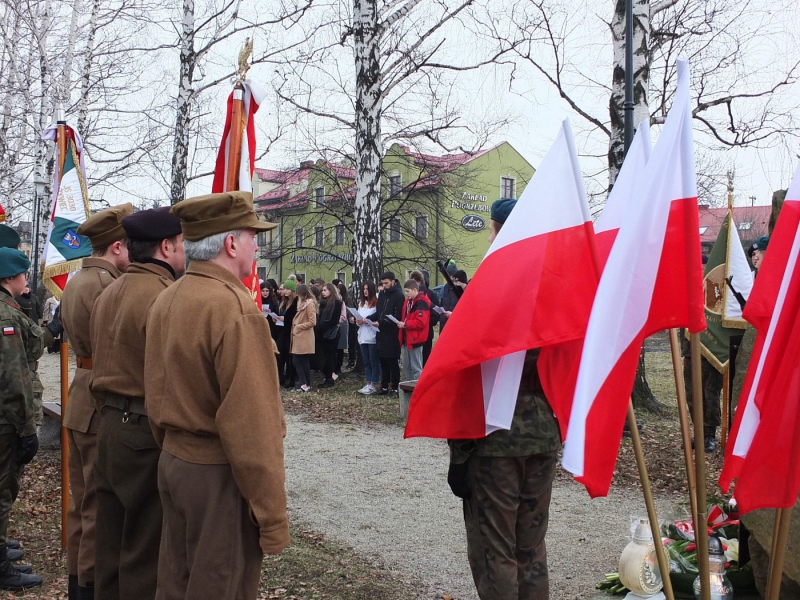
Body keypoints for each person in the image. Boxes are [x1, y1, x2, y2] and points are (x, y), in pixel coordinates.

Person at [144, 191, 288, 600]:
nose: (258, 245)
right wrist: (272, 518)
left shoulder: (168, 297)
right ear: (230, 244)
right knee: (220, 585)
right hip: (218, 476)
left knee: (177, 581)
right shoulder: (234, 309)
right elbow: (254, 427)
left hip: (174, 460)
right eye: (252, 236)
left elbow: (155, 395)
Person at [448, 197, 561, 600]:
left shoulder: (493, 285)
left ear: (498, 229)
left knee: (496, 548)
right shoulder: (554, 287)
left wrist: (459, 450)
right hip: (545, 429)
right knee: (531, 546)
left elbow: (465, 369)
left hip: (497, 434)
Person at [89, 207, 185, 600]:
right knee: (145, 551)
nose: (184, 253)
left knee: (109, 545)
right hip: (145, 430)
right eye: (181, 246)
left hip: (108, 423)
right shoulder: (165, 296)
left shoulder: (109, 291)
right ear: (165, 247)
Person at [60, 203, 133, 599]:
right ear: (117, 247)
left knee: (80, 502)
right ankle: (87, 584)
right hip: (97, 396)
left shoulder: (77, 280)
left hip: (81, 396)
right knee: (94, 506)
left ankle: (78, 578)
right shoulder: (106, 286)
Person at [0, 247, 62, 590]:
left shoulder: (10, 309)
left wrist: (51, 326)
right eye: (23, 274)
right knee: (3, 487)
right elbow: (14, 377)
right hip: (6, 418)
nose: (27, 280)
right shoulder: (6, 316)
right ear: (10, 277)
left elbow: (33, 345)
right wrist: (27, 428)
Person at [370, 272, 404, 396]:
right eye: (383, 283)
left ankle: (395, 387)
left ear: (393, 281)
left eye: (386, 283)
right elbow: (379, 312)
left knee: (392, 361)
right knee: (383, 360)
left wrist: (381, 322)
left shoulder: (399, 295)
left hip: (392, 333)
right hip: (381, 333)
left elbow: (397, 315)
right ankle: (384, 386)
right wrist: (368, 318)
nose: (384, 285)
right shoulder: (382, 295)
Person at [397, 280, 430, 381]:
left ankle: (418, 390)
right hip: (407, 338)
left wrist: (405, 324)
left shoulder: (422, 302)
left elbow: (421, 322)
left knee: (416, 368)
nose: (406, 294)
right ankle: (409, 389)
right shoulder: (408, 302)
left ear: (415, 290)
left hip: (416, 339)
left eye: (408, 291)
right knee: (407, 367)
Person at [351, 281, 380, 394]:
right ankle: (368, 382)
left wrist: (366, 321)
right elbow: (359, 316)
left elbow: (376, 317)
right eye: (364, 289)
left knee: (373, 361)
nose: (365, 291)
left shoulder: (376, 303)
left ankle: (374, 383)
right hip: (362, 335)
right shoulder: (361, 304)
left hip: (372, 335)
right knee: (366, 361)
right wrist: (356, 320)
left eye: (367, 289)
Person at [409, 270, 439, 364]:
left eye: (416, 281)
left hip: (426, 333)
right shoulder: (410, 296)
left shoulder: (431, 295)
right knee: (415, 362)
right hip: (413, 333)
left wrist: (424, 323)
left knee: (425, 360)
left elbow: (435, 315)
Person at [291, 284, 317, 392]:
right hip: (300, 336)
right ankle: (306, 384)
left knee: (297, 360)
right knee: (303, 360)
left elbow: (312, 321)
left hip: (304, 336)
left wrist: (299, 326)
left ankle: (304, 384)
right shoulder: (303, 304)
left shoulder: (309, 304)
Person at [316, 283, 343, 388]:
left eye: (325, 290)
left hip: (331, 333)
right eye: (322, 290)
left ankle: (329, 378)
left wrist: (322, 326)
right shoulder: (322, 303)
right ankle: (327, 376)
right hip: (322, 332)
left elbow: (334, 320)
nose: (323, 292)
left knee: (329, 356)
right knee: (324, 356)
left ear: (331, 291)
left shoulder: (336, 303)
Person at [274, 280, 298, 389]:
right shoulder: (283, 301)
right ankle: (281, 376)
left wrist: (285, 319)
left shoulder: (296, 302)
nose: (284, 291)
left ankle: (290, 377)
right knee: (280, 353)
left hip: (291, 332)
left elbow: (295, 317)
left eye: (287, 289)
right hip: (282, 331)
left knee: (290, 356)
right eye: (283, 289)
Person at [335, 283, 351, 377]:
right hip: (336, 325)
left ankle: (338, 367)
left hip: (342, 325)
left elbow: (345, 314)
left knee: (340, 347)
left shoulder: (344, 301)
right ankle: (335, 367)